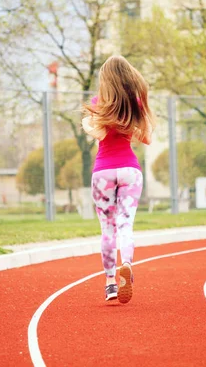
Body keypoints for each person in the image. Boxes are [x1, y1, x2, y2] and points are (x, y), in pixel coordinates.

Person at [82, 55, 155, 304]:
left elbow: (96, 132)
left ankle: (111, 283)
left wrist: (89, 122)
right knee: (125, 225)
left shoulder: (98, 104)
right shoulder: (135, 104)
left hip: (103, 171)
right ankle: (127, 265)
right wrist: (132, 124)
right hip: (130, 171)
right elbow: (147, 139)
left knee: (107, 230)